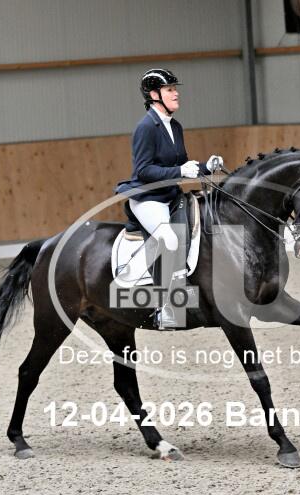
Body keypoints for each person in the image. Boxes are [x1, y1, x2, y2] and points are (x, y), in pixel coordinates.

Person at [115, 68, 224, 330]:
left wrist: (206, 167)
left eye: (175, 89)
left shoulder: (175, 126)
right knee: (169, 239)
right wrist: (179, 171)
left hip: (171, 195)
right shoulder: (145, 128)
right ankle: (167, 308)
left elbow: (181, 164)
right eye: (170, 90)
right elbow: (144, 170)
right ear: (154, 95)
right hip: (148, 198)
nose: (176, 94)